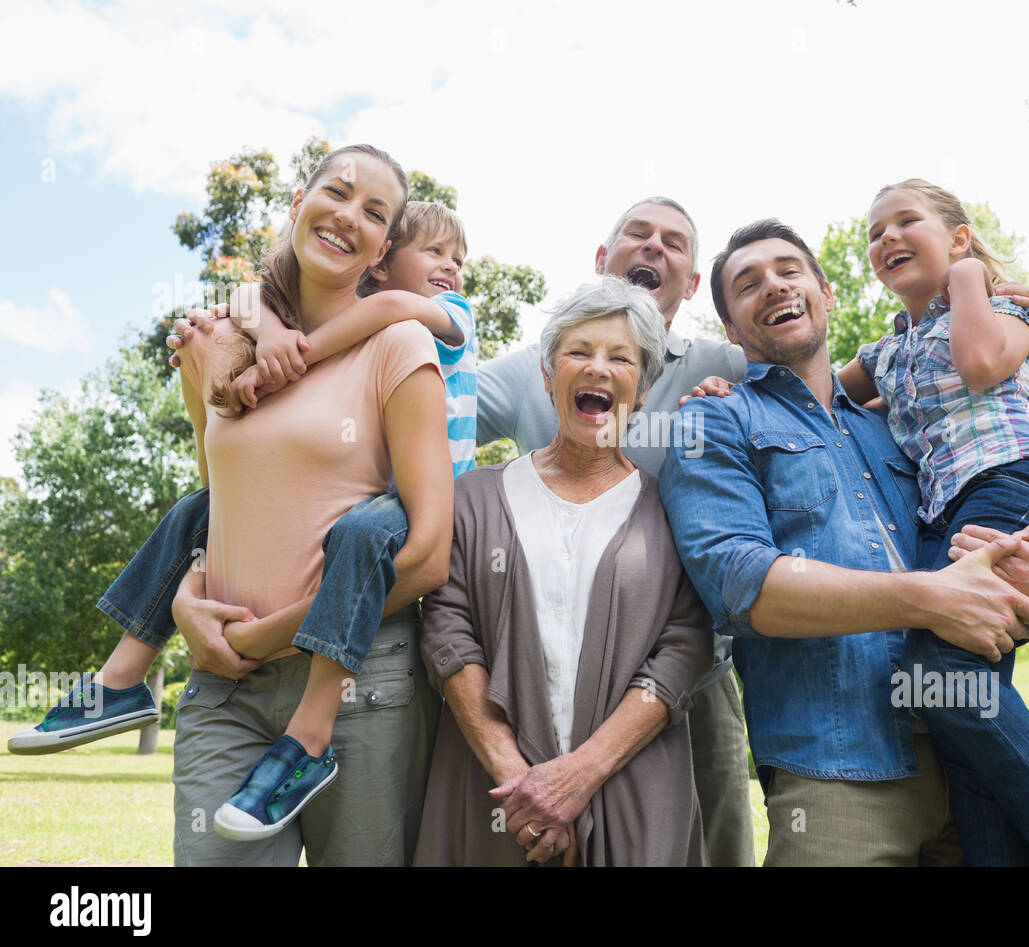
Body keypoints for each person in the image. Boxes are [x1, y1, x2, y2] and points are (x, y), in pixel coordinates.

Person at [659, 219, 1029, 866]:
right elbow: (741, 584)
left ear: (826, 292)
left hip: (976, 769)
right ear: (732, 330)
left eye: (789, 270)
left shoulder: (912, 433)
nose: (773, 286)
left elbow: (979, 564)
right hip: (835, 778)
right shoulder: (713, 420)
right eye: (748, 284)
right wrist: (927, 598)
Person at [7, 200, 475, 769]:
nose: (452, 267)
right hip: (370, 504)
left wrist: (289, 357)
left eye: (458, 258)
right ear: (381, 264)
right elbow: (244, 300)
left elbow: (397, 307)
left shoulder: (433, 317)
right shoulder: (346, 322)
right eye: (435, 252)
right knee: (195, 510)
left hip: (408, 507)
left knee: (358, 535)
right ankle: (121, 677)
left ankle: (311, 731)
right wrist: (265, 334)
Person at [87, 144, 447, 866]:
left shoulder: (398, 345)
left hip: (358, 683)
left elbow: (427, 556)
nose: (349, 216)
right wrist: (189, 601)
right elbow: (222, 510)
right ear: (296, 203)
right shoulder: (223, 347)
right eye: (337, 193)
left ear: (381, 250)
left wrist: (274, 634)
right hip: (226, 688)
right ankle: (117, 683)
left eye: (374, 213)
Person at [828, 178, 1029, 865]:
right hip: (953, 519)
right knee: (957, 708)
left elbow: (978, 366)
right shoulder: (884, 353)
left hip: (1021, 489)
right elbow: (812, 397)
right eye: (873, 233)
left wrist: (968, 278)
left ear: (960, 237)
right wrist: (723, 387)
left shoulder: (1005, 309)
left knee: (935, 667)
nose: (885, 238)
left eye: (905, 221)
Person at [415, 277, 713, 866]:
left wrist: (579, 775)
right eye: (578, 352)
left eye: (620, 357)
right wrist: (522, 785)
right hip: (492, 793)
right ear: (549, 376)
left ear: (644, 386)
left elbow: (685, 646)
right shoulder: (472, 498)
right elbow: (446, 632)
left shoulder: (675, 508)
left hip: (632, 794)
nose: (598, 368)